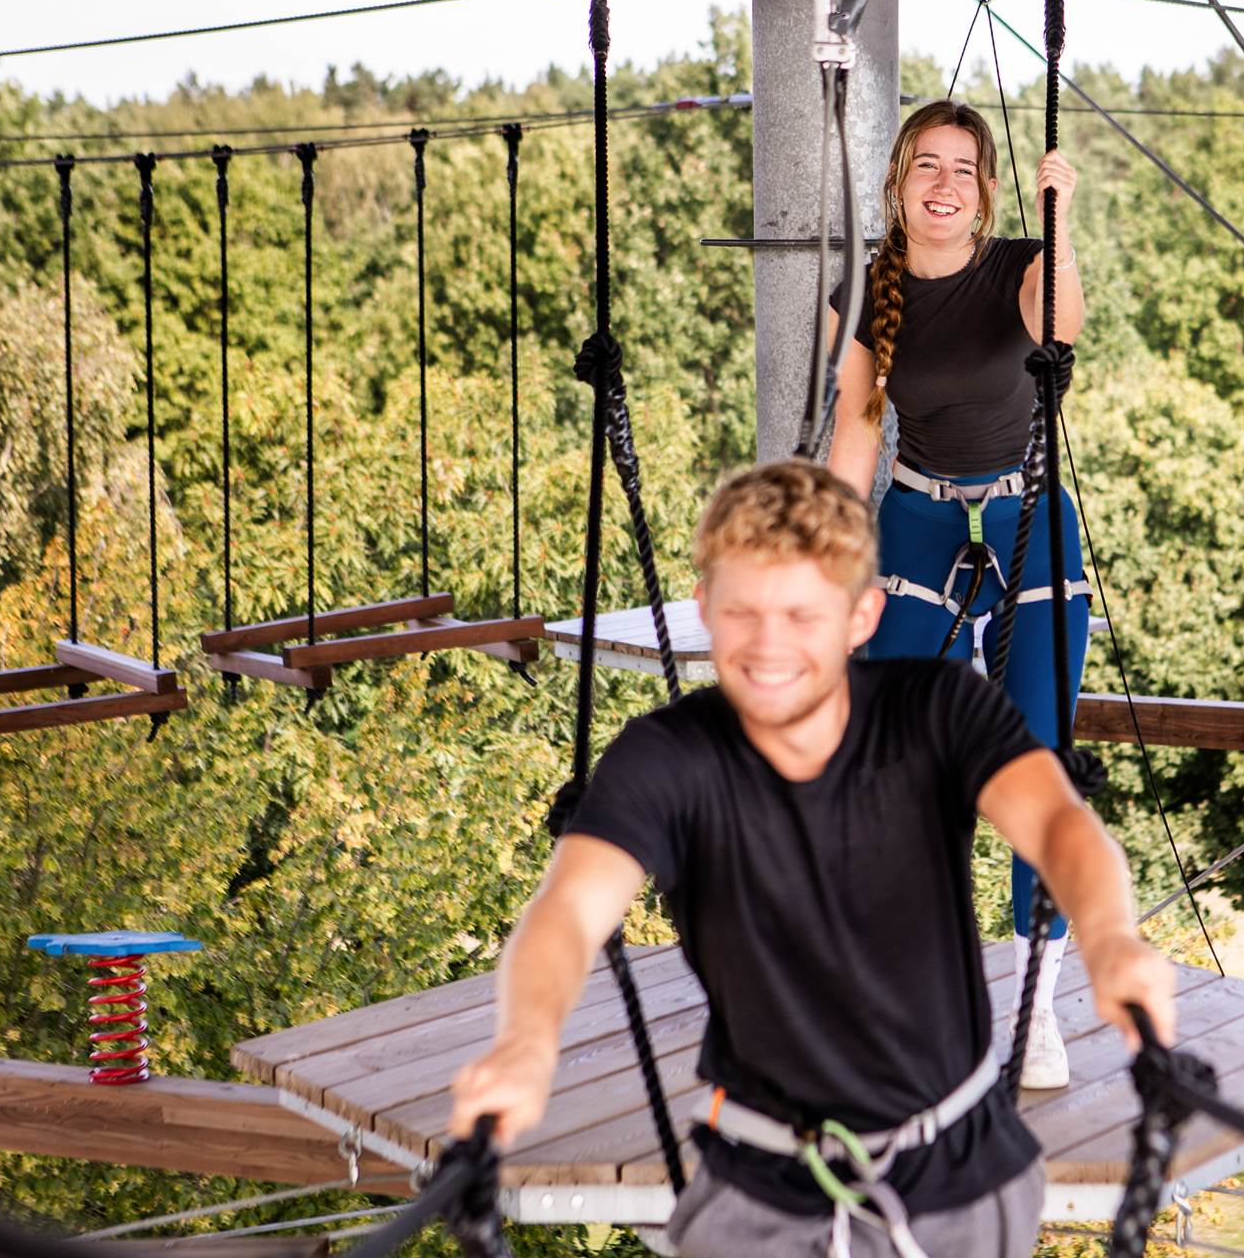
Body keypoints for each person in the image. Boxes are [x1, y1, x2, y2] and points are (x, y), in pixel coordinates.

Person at [450, 460, 1174, 1258]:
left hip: (966, 1186)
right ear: (705, 609)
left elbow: (1061, 828)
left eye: (802, 614)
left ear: (863, 616)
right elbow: (569, 909)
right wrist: (526, 1039)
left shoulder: (938, 708)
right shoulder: (668, 757)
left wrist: (1110, 939)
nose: (768, 647)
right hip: (756, 1196)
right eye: (743, 612)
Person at [825, 100, 1090, 1090]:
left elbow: (1062, 326)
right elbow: (855, 433)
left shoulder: (1023, 262)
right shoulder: (873, 288)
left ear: (985, 189)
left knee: (1035, 752)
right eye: (926, 166)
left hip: (1028, 517)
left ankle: (1036, 997)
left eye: (964, 169)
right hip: (920, 517)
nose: (944, 184)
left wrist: (1059, 220)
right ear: (899, 182)